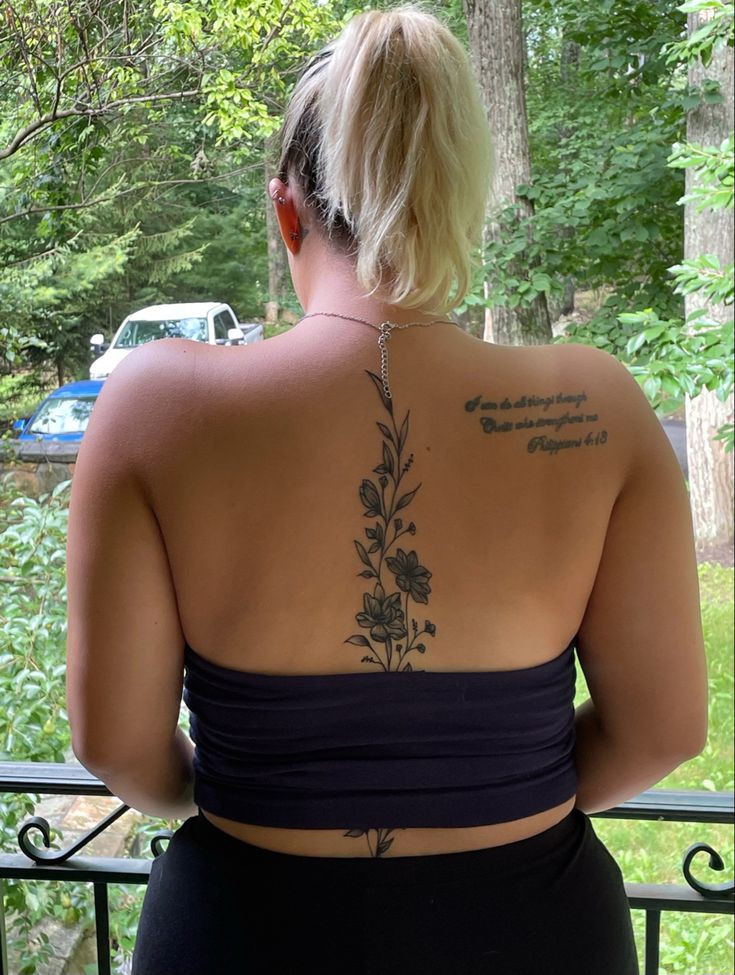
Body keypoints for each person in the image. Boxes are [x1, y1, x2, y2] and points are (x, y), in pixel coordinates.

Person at [66, 7, 708, 974]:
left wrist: (252, 786)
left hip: (243, 928)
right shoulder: (595, 408)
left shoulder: (156, 406)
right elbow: (662, 729)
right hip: (532, 932)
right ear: (461, 204)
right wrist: (494, 783)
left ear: (284, 210)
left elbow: (119, 746)